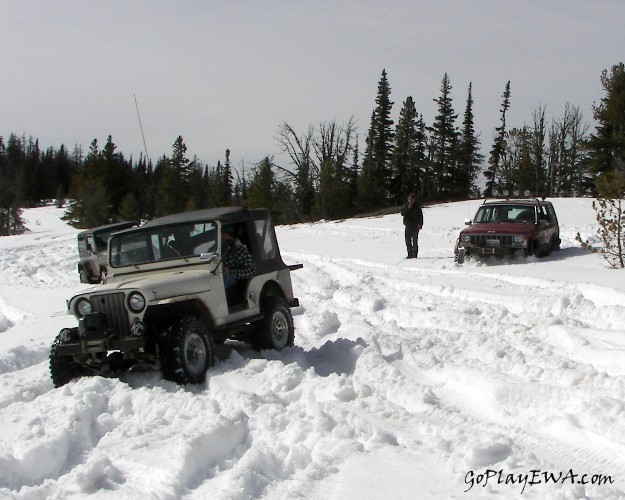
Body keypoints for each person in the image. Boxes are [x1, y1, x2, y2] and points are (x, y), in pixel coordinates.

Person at [220, 223, 255, 290]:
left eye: (220, 233)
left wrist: (230, 271)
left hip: (230, 280)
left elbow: (251, 270)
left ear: (225, 234)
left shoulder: (239, 249)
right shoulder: (215, 248)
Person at [400, 193, 423, 259]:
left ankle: (415, 254)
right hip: (407, 226)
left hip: (415, 226)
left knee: (415, 241)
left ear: (414, 200)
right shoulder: (406, 206)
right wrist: (408, 208)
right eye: (410, 199)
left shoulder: (417, 207)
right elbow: (402, 213)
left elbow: (420, 216)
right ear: (408, 200)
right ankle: (409, 254)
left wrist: (421, 224)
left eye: (412, 199)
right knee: (408, 241)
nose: (411, 201)